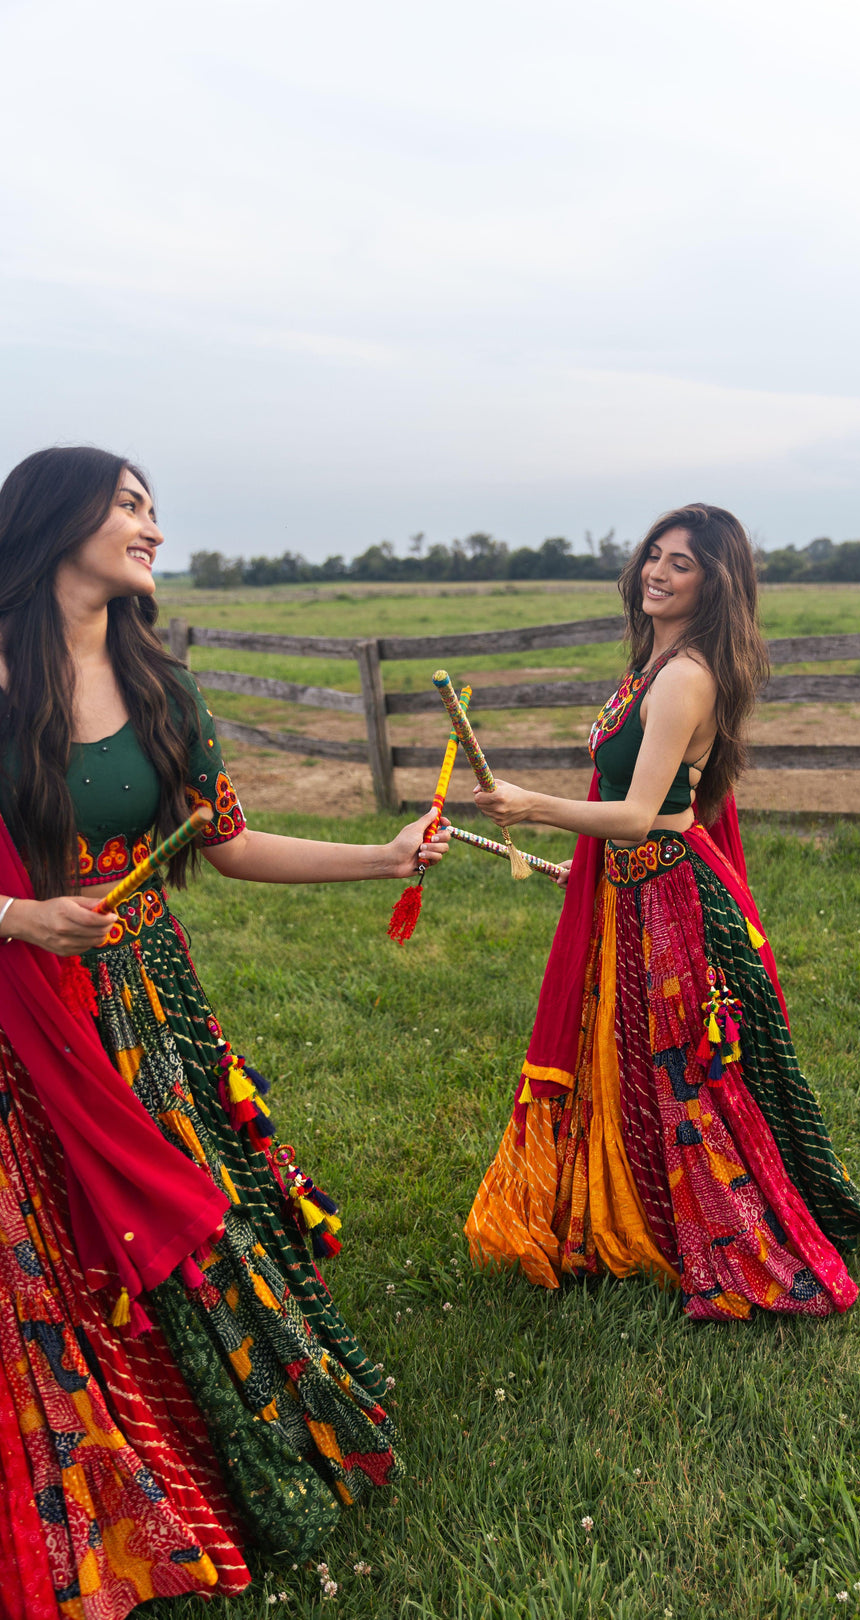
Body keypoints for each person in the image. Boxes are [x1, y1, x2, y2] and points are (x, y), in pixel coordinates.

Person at [0, 446, 448, 1616]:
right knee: (55, 1243)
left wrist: (381, 857)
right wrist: (14, 915)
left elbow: (229, 845)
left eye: (153, 509)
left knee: (191, 1216)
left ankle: (219, 1464)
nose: (152, 528)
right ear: (58, 523)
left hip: (152, 1007)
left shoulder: (164, 689)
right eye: (130, 507)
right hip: (30, 1011)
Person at [465, 503, 860, 1322]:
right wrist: (585, 868)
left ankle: (705, 1233)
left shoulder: (687, 675)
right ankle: (633, 1213)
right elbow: (634, 812)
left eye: (681, 562)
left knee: (681, 1075)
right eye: (653, 554)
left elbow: (635, 816)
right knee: (628, 1060)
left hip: (672, 902)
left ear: (714, 582)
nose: (657, 570)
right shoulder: (651, 667)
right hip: (635, 888)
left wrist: (531, 805)